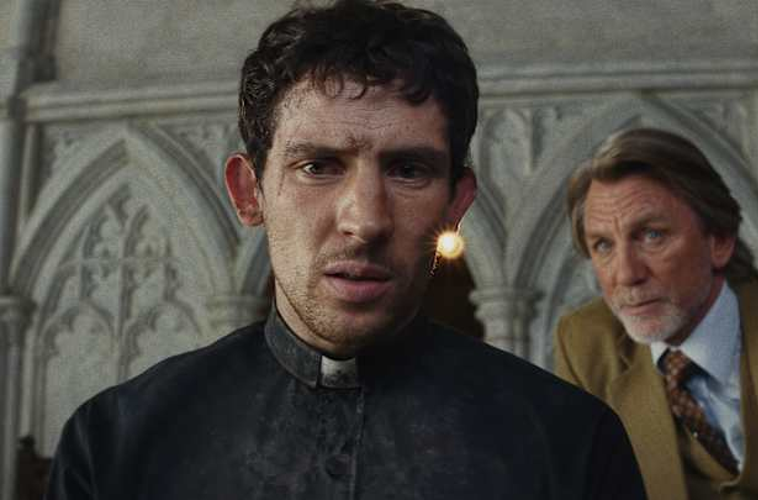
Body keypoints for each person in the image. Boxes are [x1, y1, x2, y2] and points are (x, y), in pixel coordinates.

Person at [44, 2, 646, 499]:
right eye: (318, 166)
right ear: (250, 193)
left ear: (455, 202)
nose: (365, 221)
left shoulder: (570, 444)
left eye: (408, 169)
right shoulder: (114, 444)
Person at [554, 127, 758, 500]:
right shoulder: (584, 347)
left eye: (652, 236)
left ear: (720, 240)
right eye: (603, 245)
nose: (626, 274)